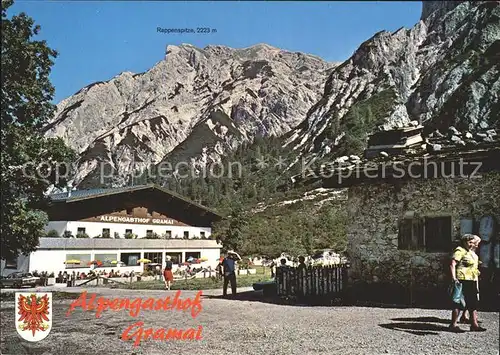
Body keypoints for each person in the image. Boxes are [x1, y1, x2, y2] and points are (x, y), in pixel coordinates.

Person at [449, 234, 486, 332]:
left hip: (471, 279)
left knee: (473, 302)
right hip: (461, 279)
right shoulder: (460, 250)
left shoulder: (471, 252)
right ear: (464, 242)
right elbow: (453, 264)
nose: (471, 244)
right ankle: (453, 325)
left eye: (472, 242)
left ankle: (474, 325)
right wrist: (454, 278)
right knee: (458, 302)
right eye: (469, 242)